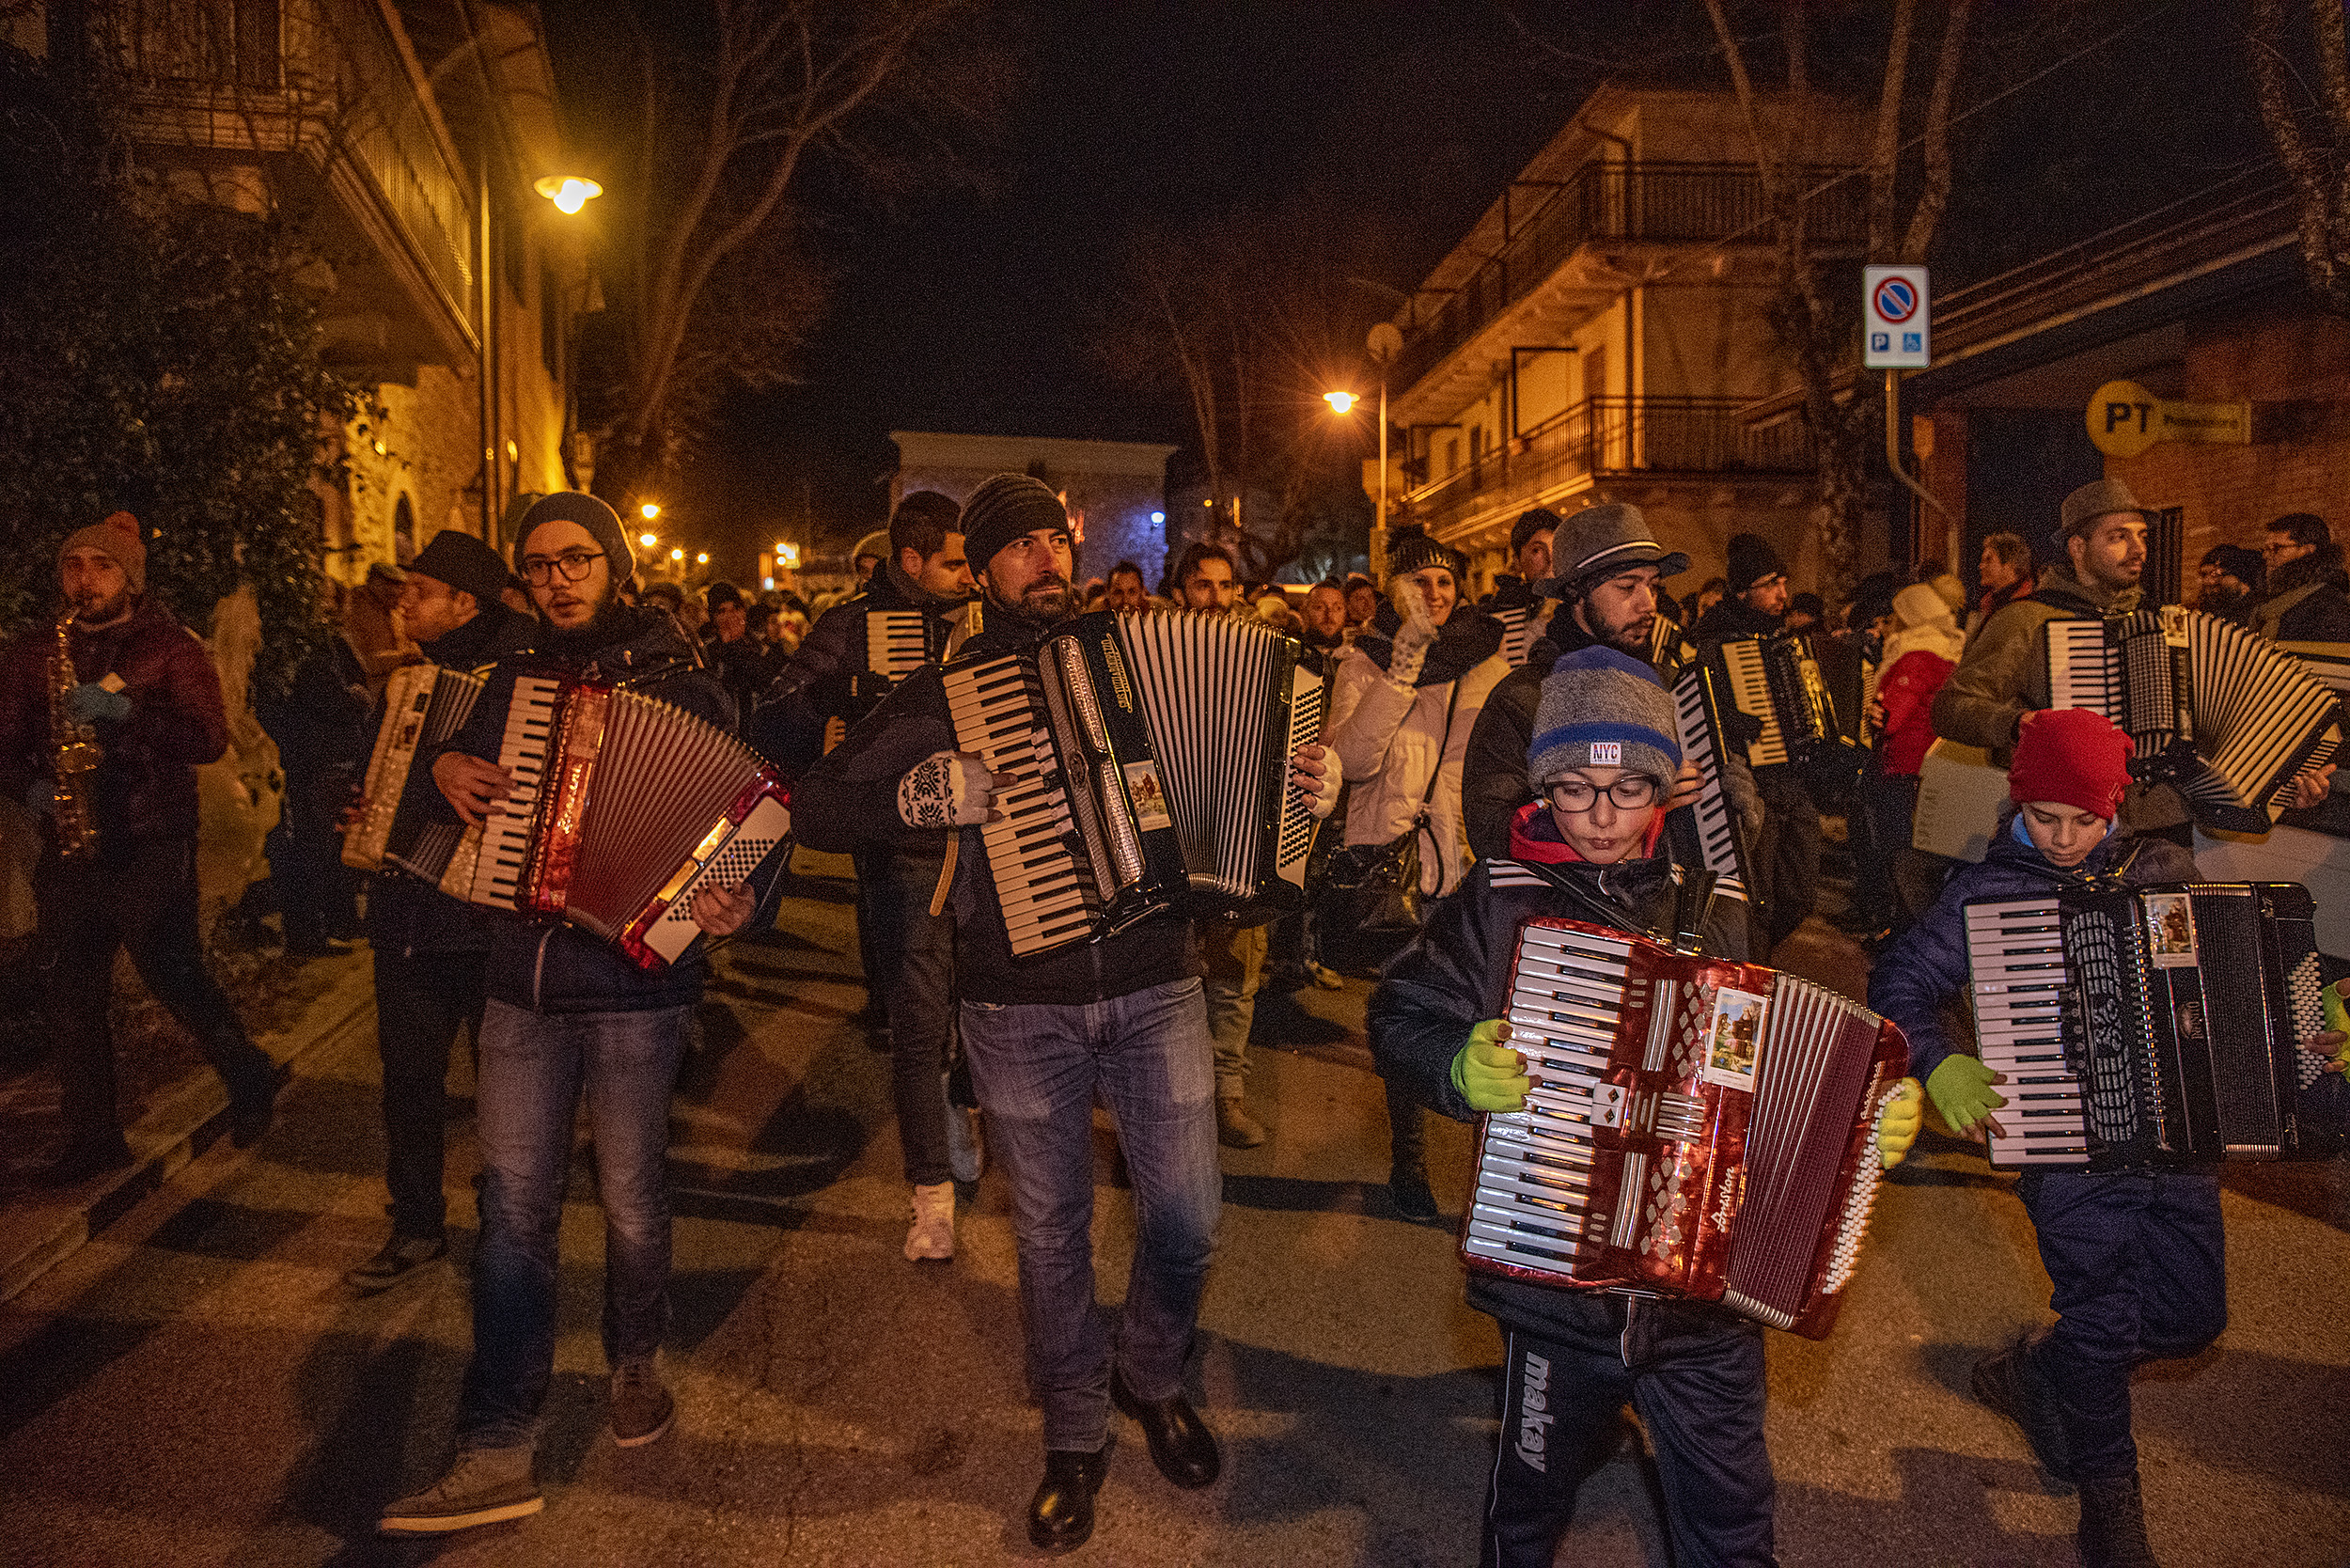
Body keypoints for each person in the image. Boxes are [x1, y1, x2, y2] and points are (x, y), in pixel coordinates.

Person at [790, 473, 1337, 1553]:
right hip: (1016, 1003)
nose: (1043, 557)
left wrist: (1306, 791)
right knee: (1050, 1237)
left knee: (1184, 1218)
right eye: (1017, 545)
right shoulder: (953, 687)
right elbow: (816, 801)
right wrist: (914, 798)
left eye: (1054, 539)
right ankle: (1075, 1432)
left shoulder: (1135, 653)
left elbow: (1256, 779)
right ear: (983, 568)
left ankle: (1150, 1370)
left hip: (1156, 980)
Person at [1371, 646, 1922, 1568]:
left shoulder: (1712, 910)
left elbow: (1763, 1082)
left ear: (1662, 796)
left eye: (1627, 790)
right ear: (1541, 789)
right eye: (1574, 790)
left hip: (1701, 1304)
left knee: (1733, 1511)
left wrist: (1861, 1129)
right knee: (1529, 1502)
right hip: (1554, 1293)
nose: (1600, 815)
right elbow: (1399, 1013)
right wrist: (1453, 1066)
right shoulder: (1496, 899)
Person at [1863, 707, 2344, 1568]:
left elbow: (2241, 980)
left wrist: (2309, 1031)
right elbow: (1900, 975)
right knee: (2102, 1318)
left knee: (2194, 1318)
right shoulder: (1987, 889)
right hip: (2065, 1143)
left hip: (2180, 1140)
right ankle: (2112, 1504)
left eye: (2083, 820)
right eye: (2043, 817)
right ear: (2018, 804)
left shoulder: (2164, 868)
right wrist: (1937, 1059)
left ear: (2114, 808)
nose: (2061, 838)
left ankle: (2040, 1375)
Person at [378, 493, 759, 1538]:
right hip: (518, 986)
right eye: (538, 564)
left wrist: (735, 901)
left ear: (616, 566)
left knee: (633, 1203)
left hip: (638, 989)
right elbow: (407, 781)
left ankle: (635, 1356)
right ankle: (497, 1437)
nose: (557, 578)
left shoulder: (687, 687)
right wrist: (439, 768)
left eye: (577, 558)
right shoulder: (497, 684)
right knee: (513, 1212)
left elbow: (746, 824)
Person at [0, 510, 281, 1184]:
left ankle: (247, 1073)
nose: (86, 580)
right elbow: (3, 747)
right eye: (74, 566)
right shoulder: (36, 651)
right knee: (71, 993)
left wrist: (130, 712)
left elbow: (208, 740)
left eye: (103, 567)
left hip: (150, 840)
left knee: (171, 973)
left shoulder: (168, 647)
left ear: (130, 578)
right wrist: (33, 789)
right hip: (69, 842)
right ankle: (94, 1138)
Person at [759, 491, 982, 1259]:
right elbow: (778, 713)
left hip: (993, 848)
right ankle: (931, 1198)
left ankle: (961, 1102)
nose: (968, 575)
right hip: (907, 852)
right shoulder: (854, 624)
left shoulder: (994, 621)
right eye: (955, 563)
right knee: (918, 1024)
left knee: (983, 1008)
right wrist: (851, 709)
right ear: (911, 562)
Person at [345, 528, 539, 1294]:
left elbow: (514, 789)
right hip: (408, 911)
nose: (403, 605)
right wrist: (356, 804)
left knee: (507, 1087)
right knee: (409, 1077)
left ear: (463, 601)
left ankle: (507, 1227)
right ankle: (417, 1222)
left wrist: (429, 775)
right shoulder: (407, 682)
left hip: (492, 916)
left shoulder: (528, 676)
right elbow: (373, 774)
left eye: (418, 592)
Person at [1324, 525, 1508, 1219]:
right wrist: (1401, 671)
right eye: (1419, 581)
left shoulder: (1485, 662)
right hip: (1392, 865)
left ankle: (1494, 1174)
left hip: (1465, 868)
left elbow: (1494, 770)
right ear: (1395, 591)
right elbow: (1358, 762)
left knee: (1486, 1024)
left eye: (1445, 581)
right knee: (1410, 1017)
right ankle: (1409, 1157)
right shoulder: (1364, 662)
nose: (1435, 593)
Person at [1462, 503, 1700, 864]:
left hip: (1663, 914)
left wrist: (1730, 799)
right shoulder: (1523, 700)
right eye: (1627, 586)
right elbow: (1491, 831)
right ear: (1577, 594)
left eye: (1653, 586)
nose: (1648, 603)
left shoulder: (1674, 691)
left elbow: (1701, 850)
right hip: (1565, 914)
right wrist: (1638, 803)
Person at [1169, 541, 1280, 1147]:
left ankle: (1227, 1097)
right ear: (1183, 589)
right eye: (1202, 585)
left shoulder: (1267, 656)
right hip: (1172, 836)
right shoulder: (1147, 649)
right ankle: (1171, 1102)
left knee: (1237, 976)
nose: (1215, 597)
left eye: (1224, 585)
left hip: (1243, 832)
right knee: (1171, 977)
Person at [1691, 531, 1817, 953]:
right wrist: (1729, 719)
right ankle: (1755, 973)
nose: (1783, 593)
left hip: (1792, 780)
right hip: (1750, 784)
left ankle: (1760, 957)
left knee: (1800, 894)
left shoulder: (1783, 638)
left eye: (1783, 582)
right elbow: (1698, 707)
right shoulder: (1715, 640)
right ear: (1743, 591)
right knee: (1756, 896)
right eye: (1770, 585)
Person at [254, 578, 370, 956]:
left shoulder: (277, 637)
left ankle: (327, 925)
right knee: (315, 842)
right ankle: (313, 932)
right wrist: (356, 700)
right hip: (314, 752)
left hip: (292, 750)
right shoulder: (308, 640)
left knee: (308, 841)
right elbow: (329, 693)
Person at [1858, 582, 1965, 932]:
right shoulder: (1949, 652)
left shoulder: (1916, 656)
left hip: (1903, 764)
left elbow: (1892, 717)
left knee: (1898, 849)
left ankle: (1899, 928)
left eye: (1895, 618)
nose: (1889, 625)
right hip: (1930, 766)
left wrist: (1874, 712)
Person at [2251, 511, 2350, 641]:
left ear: (2308, 550)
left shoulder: (2328, 603)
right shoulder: (2268, 598)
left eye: (2276, 548)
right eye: (2265, 550)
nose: (2266, 556)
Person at [1478, 508, 1559, 656]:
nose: (1550, 559)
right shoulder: (1502, 613)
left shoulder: (1585, 599)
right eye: (1537, 550)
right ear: (1517, 561)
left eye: (1557, 548)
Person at [342, 559, 416, 698]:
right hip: (370, 691)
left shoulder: (393, 612)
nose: (398, 593)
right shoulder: (355, 608)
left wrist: (412, 652)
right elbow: (366, 663)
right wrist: (403, 657)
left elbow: (407, 645)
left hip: (398, 684)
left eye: (400, 588)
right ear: (374, 582)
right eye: (391, 585)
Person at [1968, 532, 2036, 640]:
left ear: (2010, 565)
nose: (1981, 566)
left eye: (1989, 560)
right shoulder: (1990, 602)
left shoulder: (2028, 603)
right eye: (1982, 560)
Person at [2193, 543, 2262, 624]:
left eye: (2218, 575)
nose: (2209, 581)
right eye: (2204, 574)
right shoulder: (2203, 610)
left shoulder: (2256, 613)